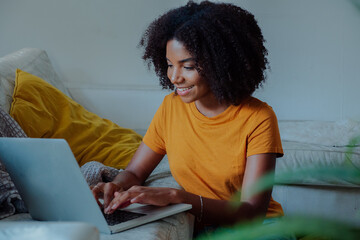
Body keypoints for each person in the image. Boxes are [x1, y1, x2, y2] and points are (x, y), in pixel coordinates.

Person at [92, 0, 285, 236]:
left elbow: (252, 213)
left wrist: (178, 197)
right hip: (203, 228)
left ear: (221, 64)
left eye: (188, 66)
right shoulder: (171, 107)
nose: (174, 77)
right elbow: (135, 173)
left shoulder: (258, 118)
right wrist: (117, 186)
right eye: (169, 64)